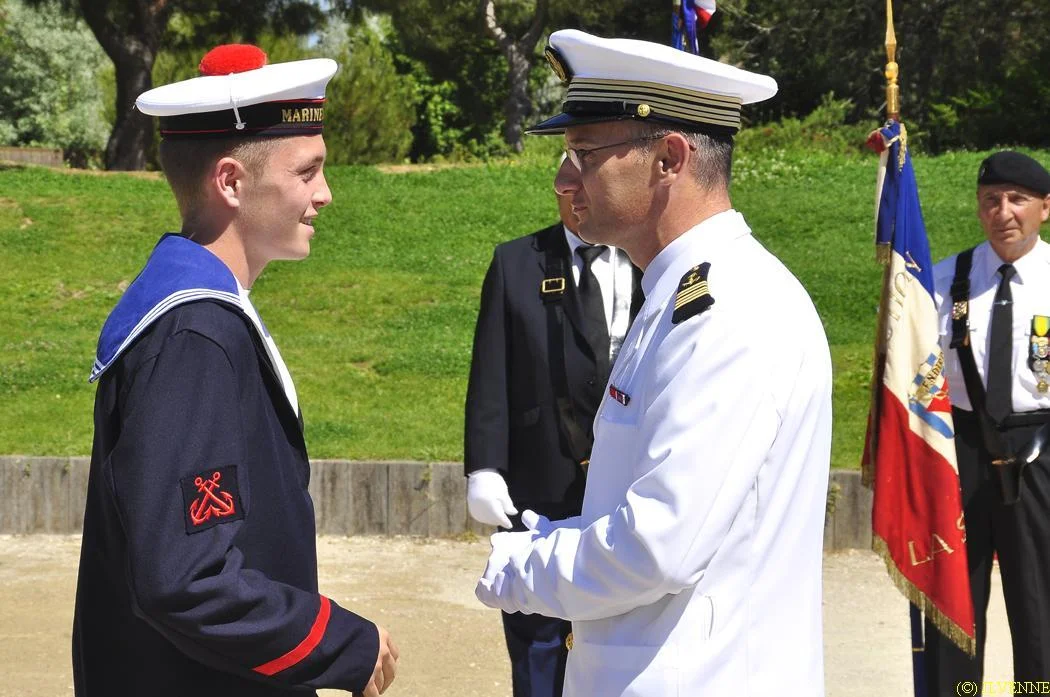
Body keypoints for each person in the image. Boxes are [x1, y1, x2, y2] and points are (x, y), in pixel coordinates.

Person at [474, 29, 832, 696]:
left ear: (669, 158)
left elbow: (658, 542)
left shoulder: (732, 308)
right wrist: (551, 529)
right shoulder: (676, 295)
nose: (563, 179)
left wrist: (520, 565)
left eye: (584, 153)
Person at [72, 44, 398, 697]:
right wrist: (337, 641)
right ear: (230, 181)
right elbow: (186, 577)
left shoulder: (198, 316)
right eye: (308, 171)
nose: (326, 194)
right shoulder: (194, 333)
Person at [464, 155, 643, 697]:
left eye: (584, 188)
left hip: (628, 486)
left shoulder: (650, 259)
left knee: (620, 630)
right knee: (539, 637)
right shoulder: (518, 261)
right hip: (539, 481)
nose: (575, 198)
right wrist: (485, 467)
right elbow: (492, 370)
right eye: (565, 189)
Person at [927, 150, 1050, 694]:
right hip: (963, 448)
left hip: (1040, 451)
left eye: (1018, 199)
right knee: (956, 599)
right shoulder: (943, 280)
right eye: (991, 200)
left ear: (1044, 208)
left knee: (1038, 600)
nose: (1004, 212)